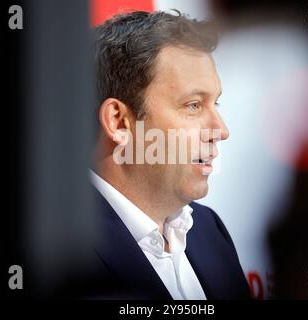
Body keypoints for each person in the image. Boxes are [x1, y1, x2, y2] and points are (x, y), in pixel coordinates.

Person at [79, 10, 250, 300]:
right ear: (119, 122)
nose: (220, 130)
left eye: (216, 104)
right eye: (194, 105)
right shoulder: (60, 252)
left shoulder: (210, 231)